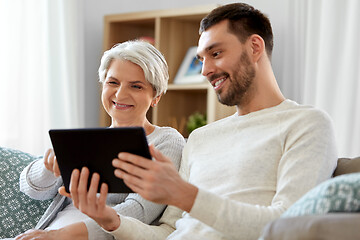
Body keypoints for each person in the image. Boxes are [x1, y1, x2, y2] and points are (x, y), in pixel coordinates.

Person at [58, 3, 337, 240]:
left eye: (215, 54)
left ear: (254, 47)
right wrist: (110, 220)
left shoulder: (306, 124)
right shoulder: (201, 138)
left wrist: (184, 194)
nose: (205, 71)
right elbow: (169, 230)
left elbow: (288, 225)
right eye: (201, 59)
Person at [15, 40, 185, 240]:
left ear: (156, 96)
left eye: (136, 86)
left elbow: (139, 211)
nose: (120, 94)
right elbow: (31, 190)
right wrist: (49, 165)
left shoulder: (166, 141)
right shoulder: (87, 139)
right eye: (113, 82)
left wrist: (59, 235)